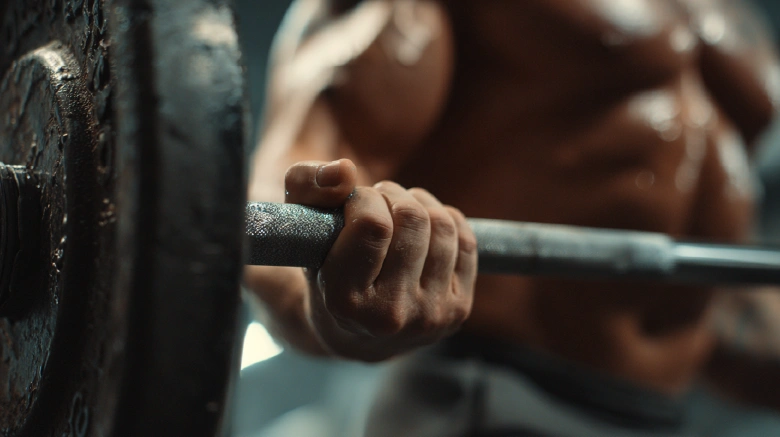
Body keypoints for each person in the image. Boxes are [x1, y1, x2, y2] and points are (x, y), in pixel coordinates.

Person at [244, 0, 780, 435]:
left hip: (654, 412)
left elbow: (727, 301)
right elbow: (276, 208)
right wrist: (341, 313)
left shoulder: (733, 18)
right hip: (489, 391)